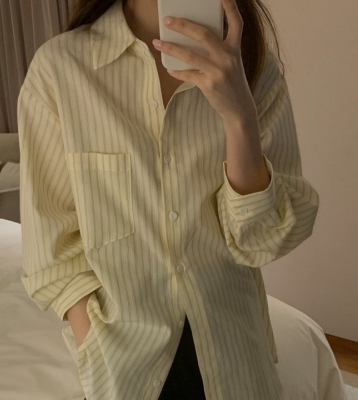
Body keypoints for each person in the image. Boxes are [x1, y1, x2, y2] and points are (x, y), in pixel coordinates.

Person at [17, 0, 320, 399]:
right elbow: (52, 247)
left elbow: (264, 241)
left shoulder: (254, 68)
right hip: (124, 370)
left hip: (236, 361)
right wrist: (93, 344)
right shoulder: (61, 68)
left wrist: (239, 119)